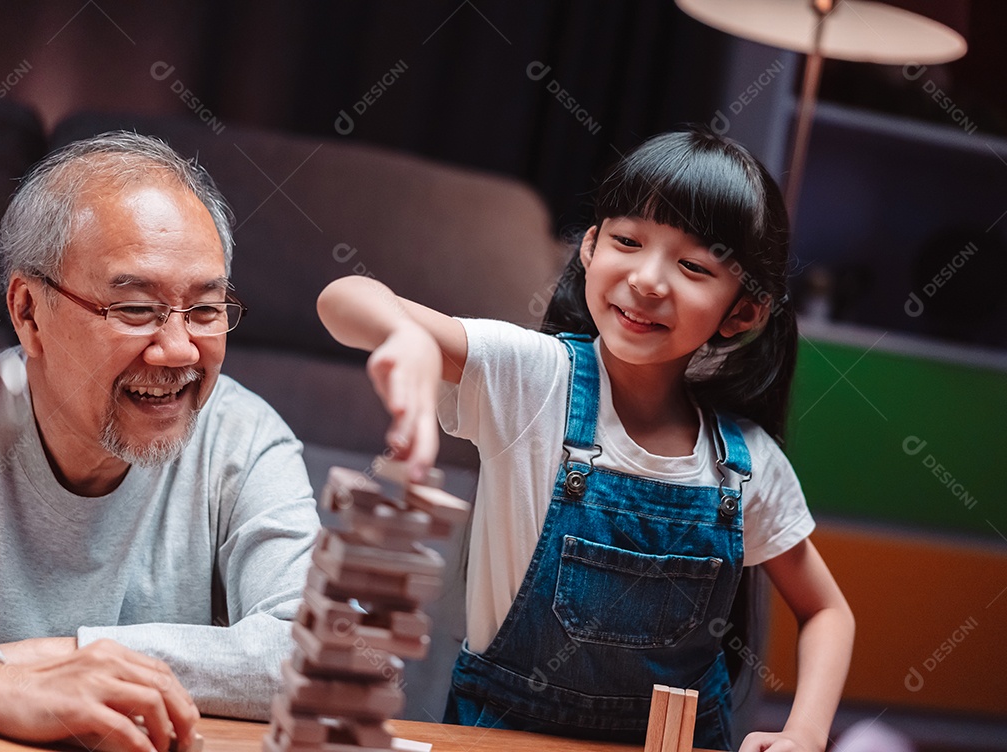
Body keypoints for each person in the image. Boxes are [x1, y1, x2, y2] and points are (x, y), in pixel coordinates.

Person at [317, 128, 854, 751]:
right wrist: (407, 337)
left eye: (694, 266)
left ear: (742, 313)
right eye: (627, 241)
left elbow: (827, 612)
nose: (649, 280)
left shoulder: (747, 464)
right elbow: (344, 299)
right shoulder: (530, 376)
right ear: (591, 248)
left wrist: (807, 733)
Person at [0, 132, 320, 752]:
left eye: (206, 308)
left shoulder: (242, 437)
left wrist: (69, 657)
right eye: (136, 308)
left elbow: (313, 653)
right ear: (29, 312)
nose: (180, 350)